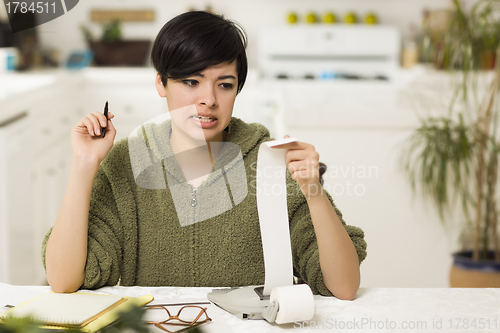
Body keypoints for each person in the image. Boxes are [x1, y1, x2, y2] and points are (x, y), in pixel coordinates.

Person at [42, 11, 366, 300]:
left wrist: (313, 189)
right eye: (191, 81)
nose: (208, 99)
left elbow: (343, 286)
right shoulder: (126, 163)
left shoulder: (271, 163)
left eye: (224, 85)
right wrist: (84, 165)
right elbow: (64, 280)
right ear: (161, 83)